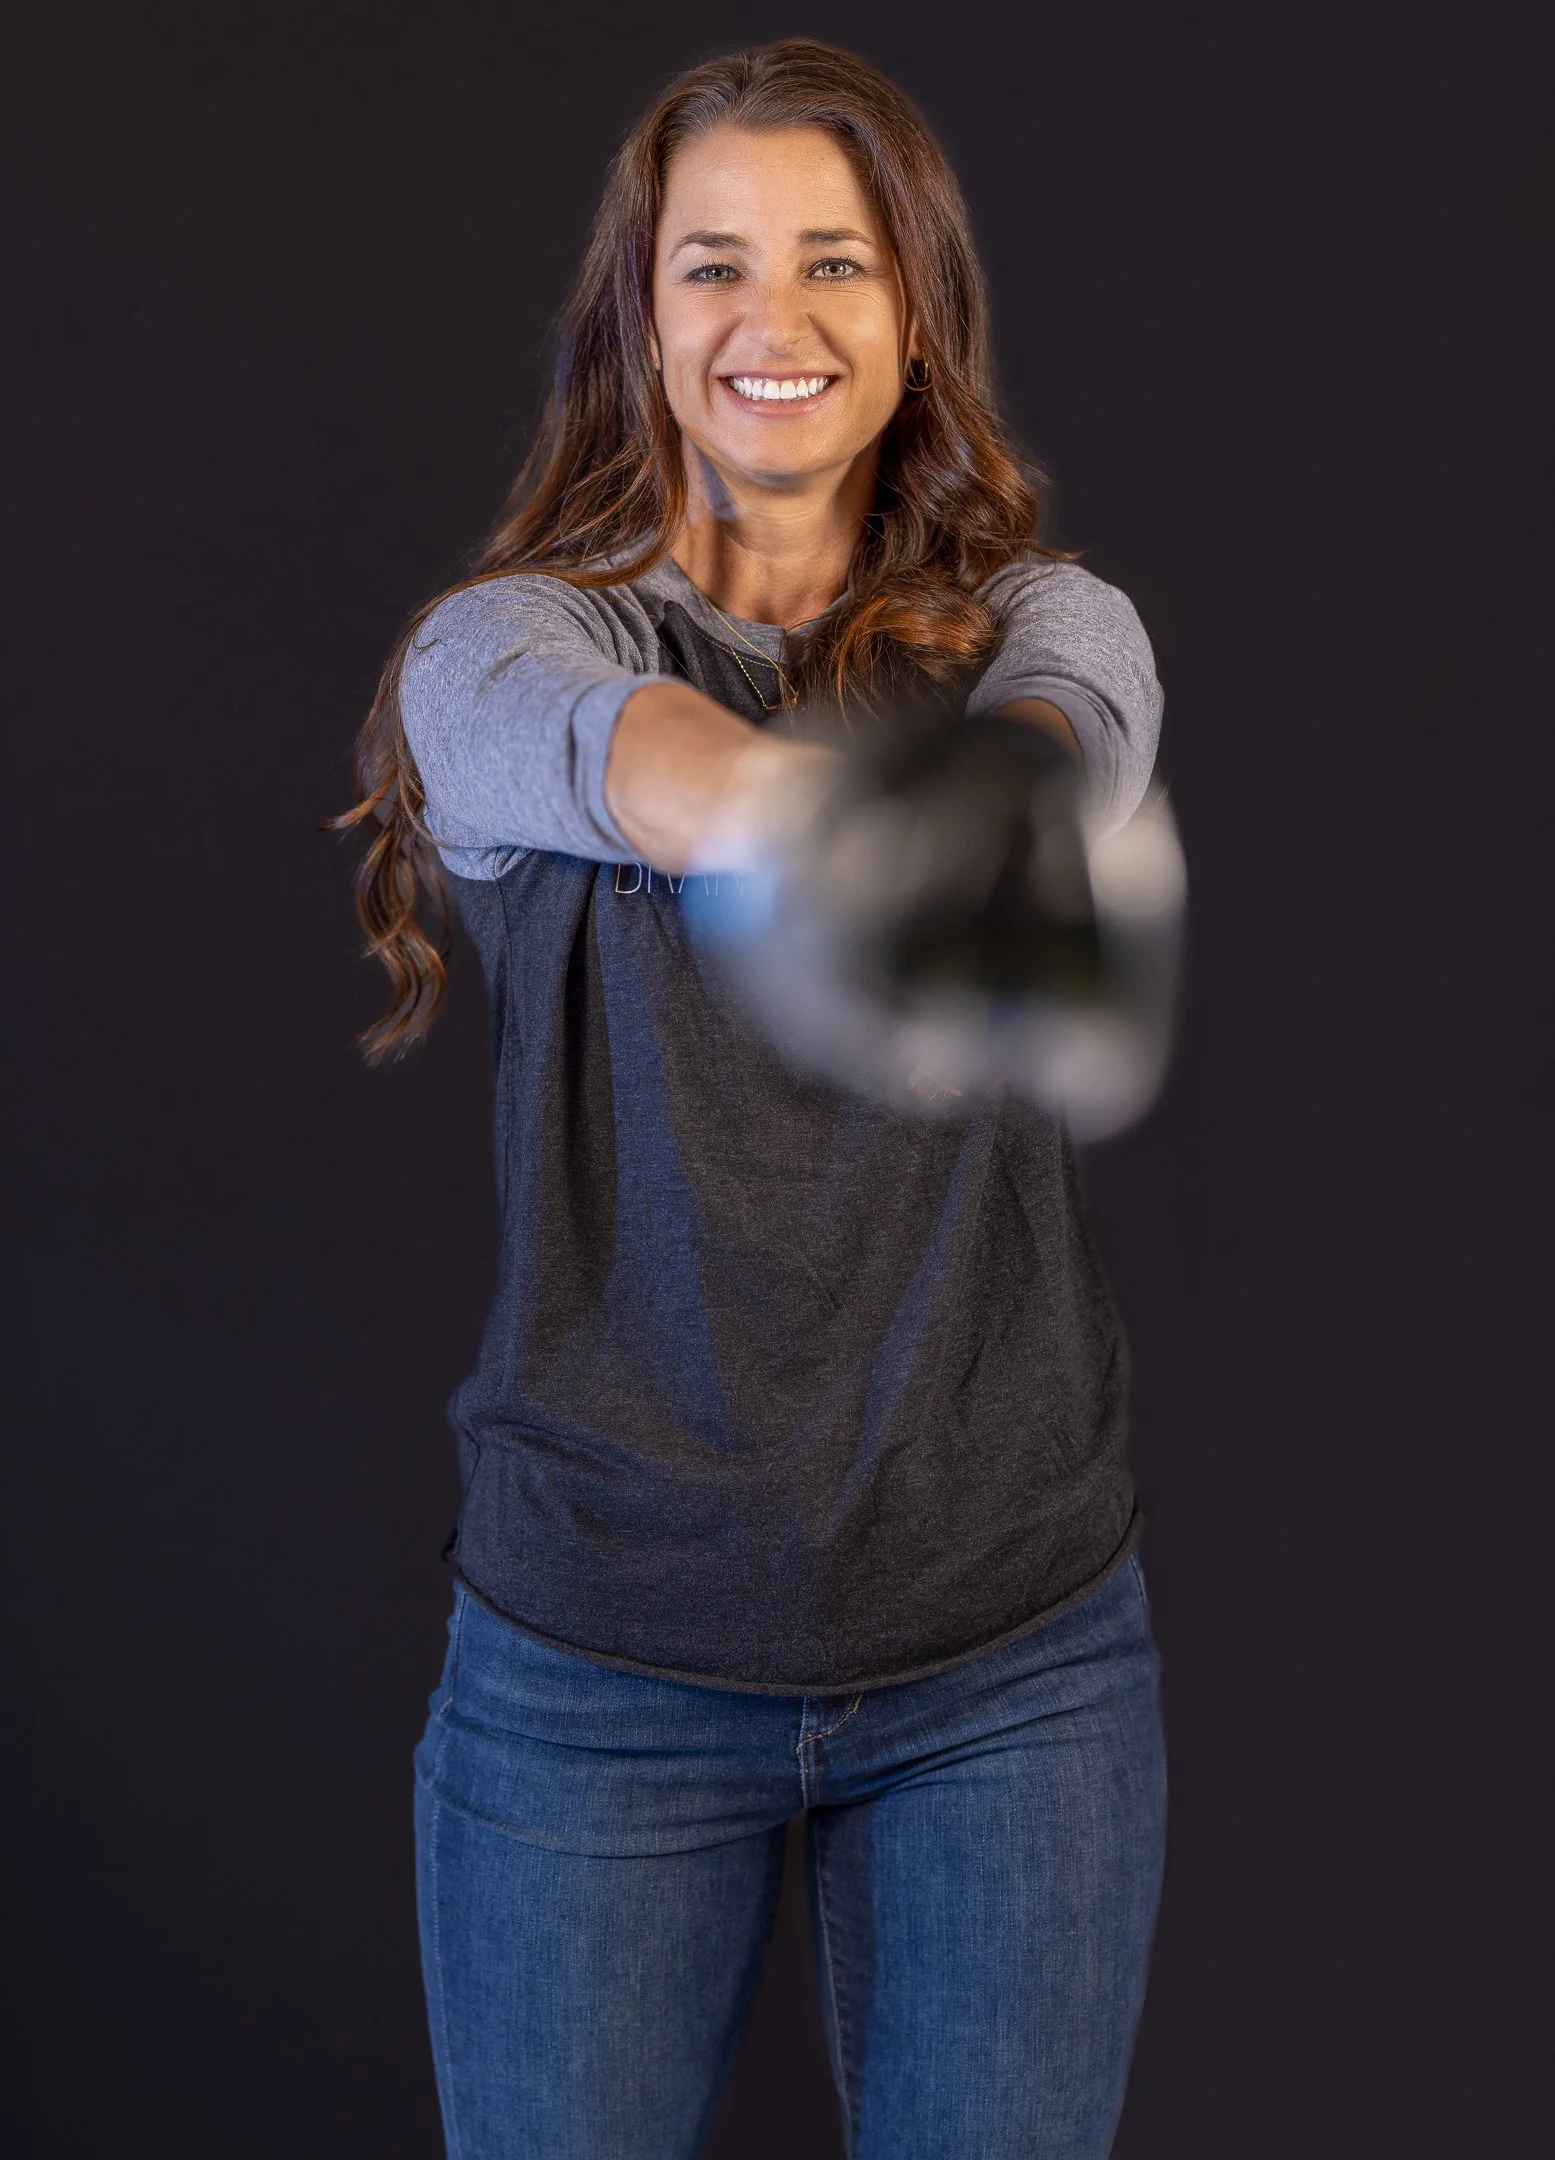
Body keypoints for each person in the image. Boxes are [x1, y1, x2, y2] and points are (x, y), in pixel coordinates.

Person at [333, 37, 1169, 2160]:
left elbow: (1047, 779)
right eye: (711, 264)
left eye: (833, 262)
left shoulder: (1056, 630)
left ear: (919, 316)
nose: (769, 319)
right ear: (640, 319)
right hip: (593, 1669)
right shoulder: (495, 662)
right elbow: (657, 771)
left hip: (1011, 1670)